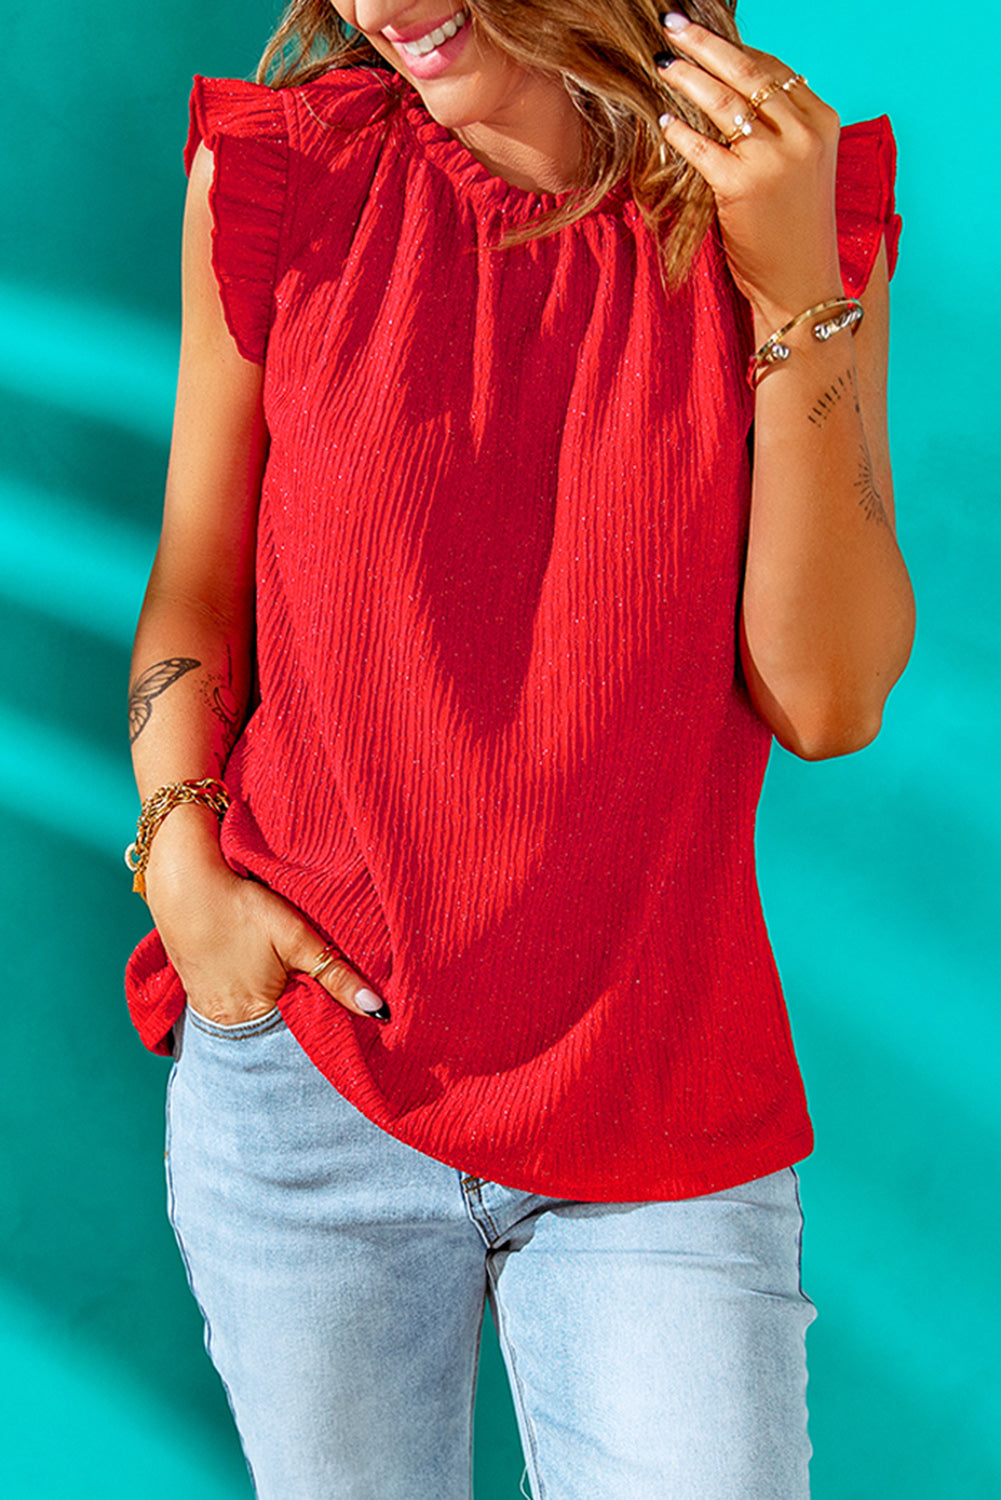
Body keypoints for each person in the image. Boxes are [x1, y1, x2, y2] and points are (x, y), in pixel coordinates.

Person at [125, 2, 914, 1496]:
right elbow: (196, 576)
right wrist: (180, 858)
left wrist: (795, 285)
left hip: (655, 1101)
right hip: (310, 1076)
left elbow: (826, 700)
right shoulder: (288, 177)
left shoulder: (786, 203)